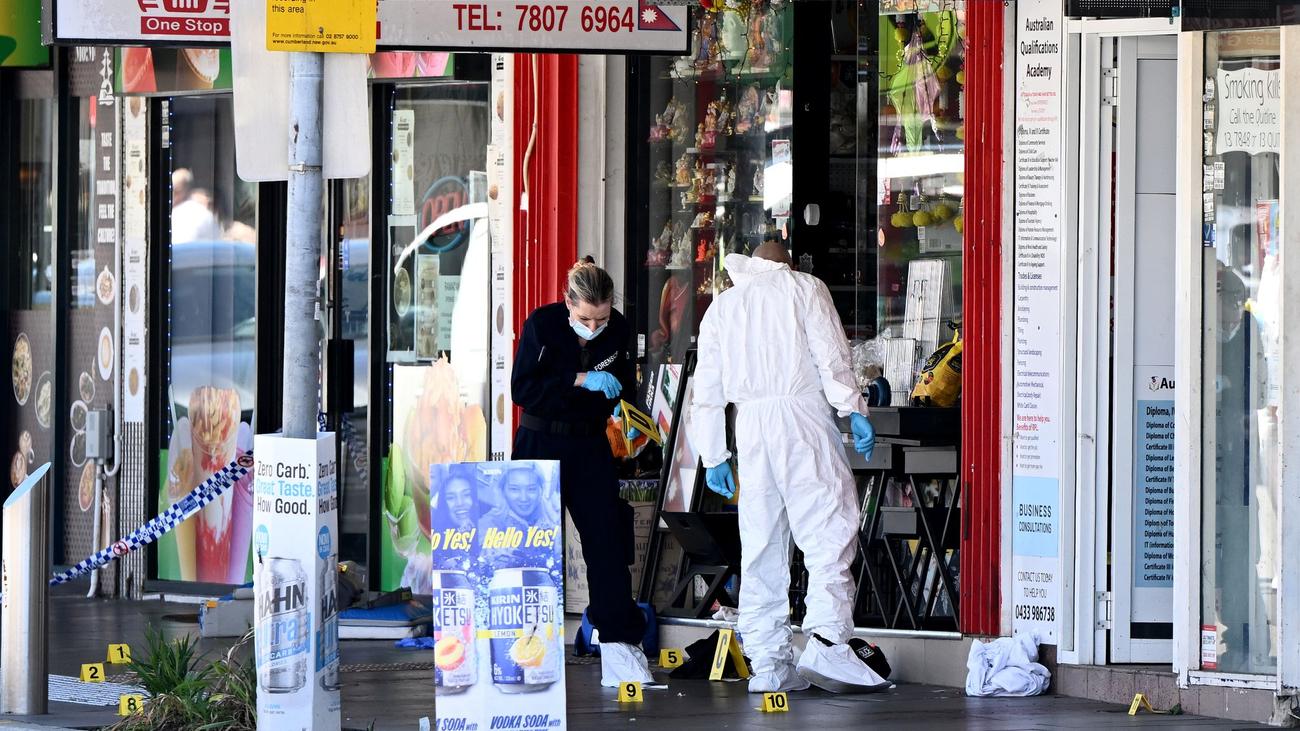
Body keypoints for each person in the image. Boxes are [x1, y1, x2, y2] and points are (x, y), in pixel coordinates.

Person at [688, 242, 885, 694]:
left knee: (761, 546)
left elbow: (707, 390)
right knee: (828, 529)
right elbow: (831, 356)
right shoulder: (805, 288)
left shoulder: (723, 307)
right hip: (803, 419)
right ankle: (828, 642)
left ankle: (768, 665)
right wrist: (853, 408)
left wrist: (714, 454)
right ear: (789, 264)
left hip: (750, 428)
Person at [511, 258, 654, 688]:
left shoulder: (619, 329)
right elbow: (523, 388)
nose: (594, 326)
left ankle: (620, 647)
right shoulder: (542, 325)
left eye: (601, 318)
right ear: (568, 302)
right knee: (533, 547)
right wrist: (578, 379)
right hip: (540, 441)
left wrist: (628, 417)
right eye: (586, 318)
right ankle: (525, 646)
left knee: (607, 542)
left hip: (591, 443)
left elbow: (624, 384)